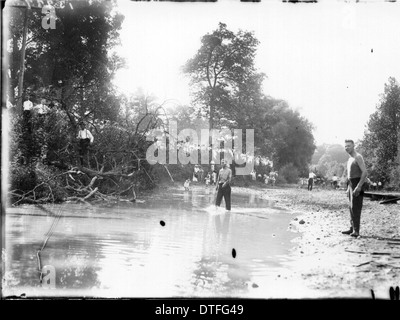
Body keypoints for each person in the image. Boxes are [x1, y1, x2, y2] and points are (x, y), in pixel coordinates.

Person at [341, 139, 368, 238]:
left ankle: (356, 231)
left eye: (349, 146)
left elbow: (364, 172)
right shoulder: (350, 159)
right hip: (351, 183)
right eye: (345, 146)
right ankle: (352, 228)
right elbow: (349, 175)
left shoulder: (358, 157)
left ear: (353, 146)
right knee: (351, 207)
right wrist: (349, 187)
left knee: (356, 207)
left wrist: (359, 186)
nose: (347, 148)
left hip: (357, 183)